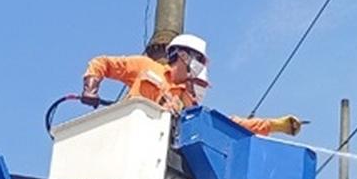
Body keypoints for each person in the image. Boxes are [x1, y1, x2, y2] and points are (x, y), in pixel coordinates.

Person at [81, 33, 302, 136]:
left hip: (155, 149)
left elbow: (226, 124)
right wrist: (91, 89)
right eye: (200, 60)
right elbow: (102, 63)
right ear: (184, 55)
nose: (201, 66)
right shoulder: (145, 67)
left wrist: (274, 125)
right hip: (126, 133)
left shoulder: (187, 100)